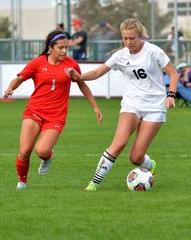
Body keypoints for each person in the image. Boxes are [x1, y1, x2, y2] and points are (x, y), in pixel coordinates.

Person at [68, 18, 179, 191]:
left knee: (135, 157)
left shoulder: (153, 51)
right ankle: (93, 184)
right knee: (118, 143)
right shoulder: (120, 55)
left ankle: (150, 165)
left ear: (140, 36)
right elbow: (97, 72)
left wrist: (170, 95)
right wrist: (79, 77)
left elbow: (173, 74)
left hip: (155, 107)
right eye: (125, 38)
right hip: (131, 104)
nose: (128, 42)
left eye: (132, 38)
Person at [3, 30, 103, 190]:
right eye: (61, 47)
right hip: (34, 111)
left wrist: (95, 106)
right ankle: (22, 182)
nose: (64, 51)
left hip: (56, 116)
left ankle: (47, 158)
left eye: (66, 48)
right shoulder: (37, 63)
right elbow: (19, 78)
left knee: (42, 151)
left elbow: (82, 84)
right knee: (24, 151)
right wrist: (10, 88)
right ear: (50, 48)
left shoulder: (71, 65)